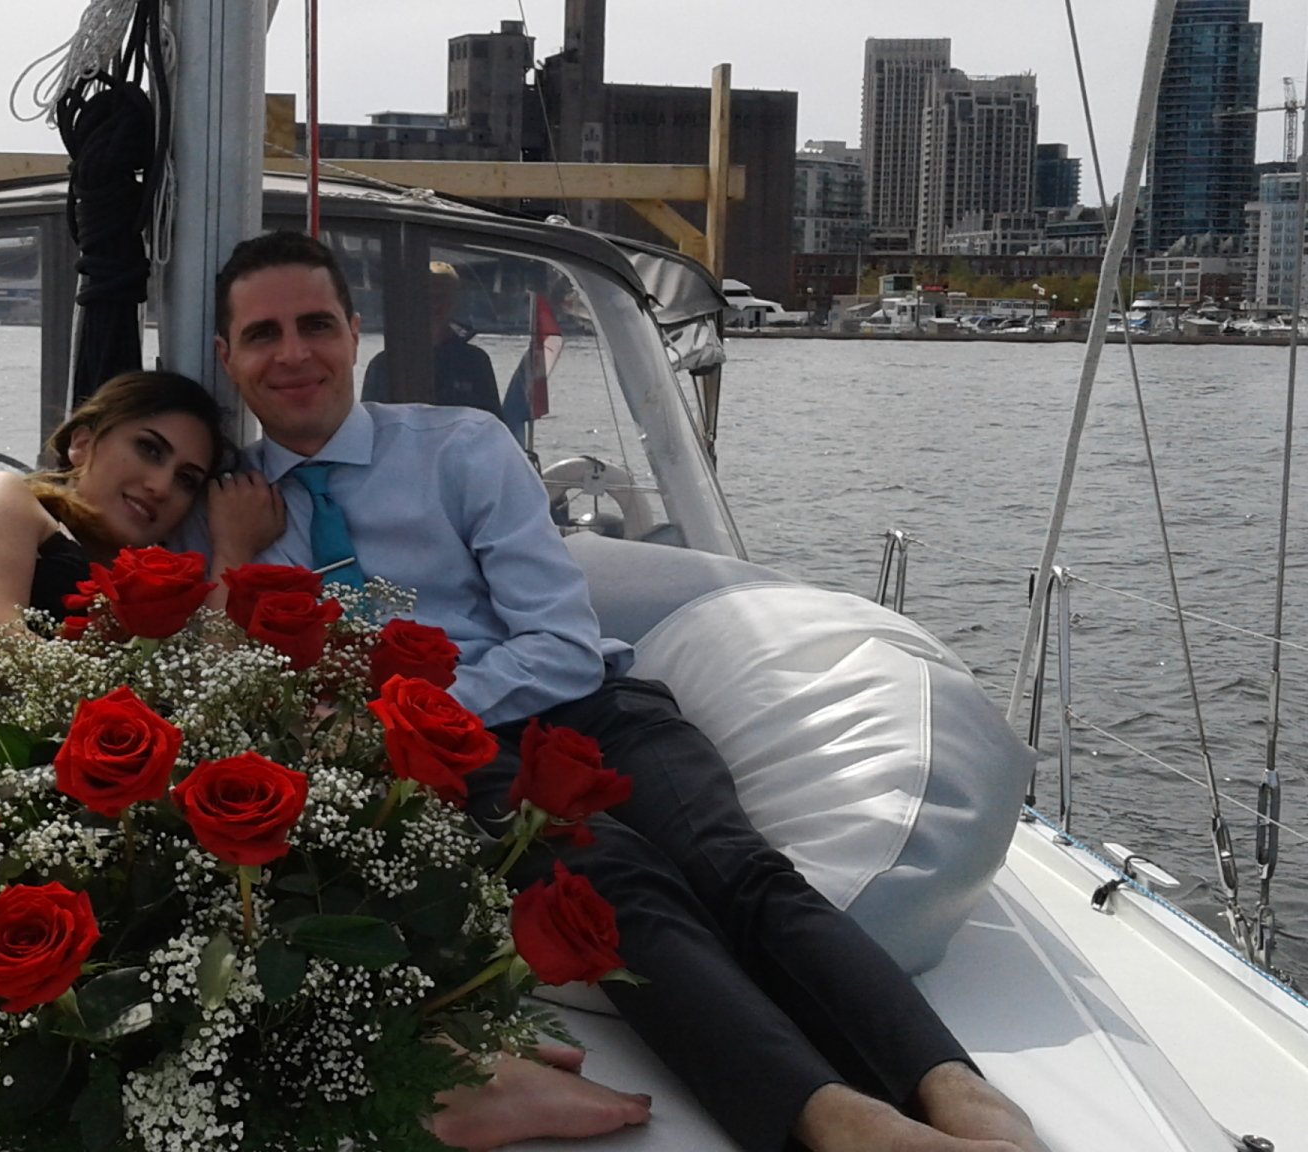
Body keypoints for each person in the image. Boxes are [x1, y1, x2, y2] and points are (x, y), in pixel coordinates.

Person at [202, 231, 1047, 1152]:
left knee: (736, 866)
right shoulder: (233, 515)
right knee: (613, 885)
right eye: (263, 335)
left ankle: (949, 1081)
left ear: (352, 330)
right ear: (226, 357)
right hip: (457, 765)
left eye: (315, 325)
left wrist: (413, 715)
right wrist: (239, 557)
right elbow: (248, 688)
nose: (293, 354)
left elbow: (561, 646)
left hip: (589, 708)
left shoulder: (462, 450)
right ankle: (834, 1119)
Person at [0, 369, 277, 623]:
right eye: (149, 449)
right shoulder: (0, 498)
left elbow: (213, 685)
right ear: (82, 443)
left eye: (186, 480)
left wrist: (233, 552)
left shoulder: (153, 599)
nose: (162, 486)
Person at [359, 259, 504, 422]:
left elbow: (493, 425)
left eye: (442, 297)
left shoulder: (475, 362)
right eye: (428, 297)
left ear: (454, 301)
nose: (435, 304)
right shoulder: (385, 365)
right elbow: (370, 425)